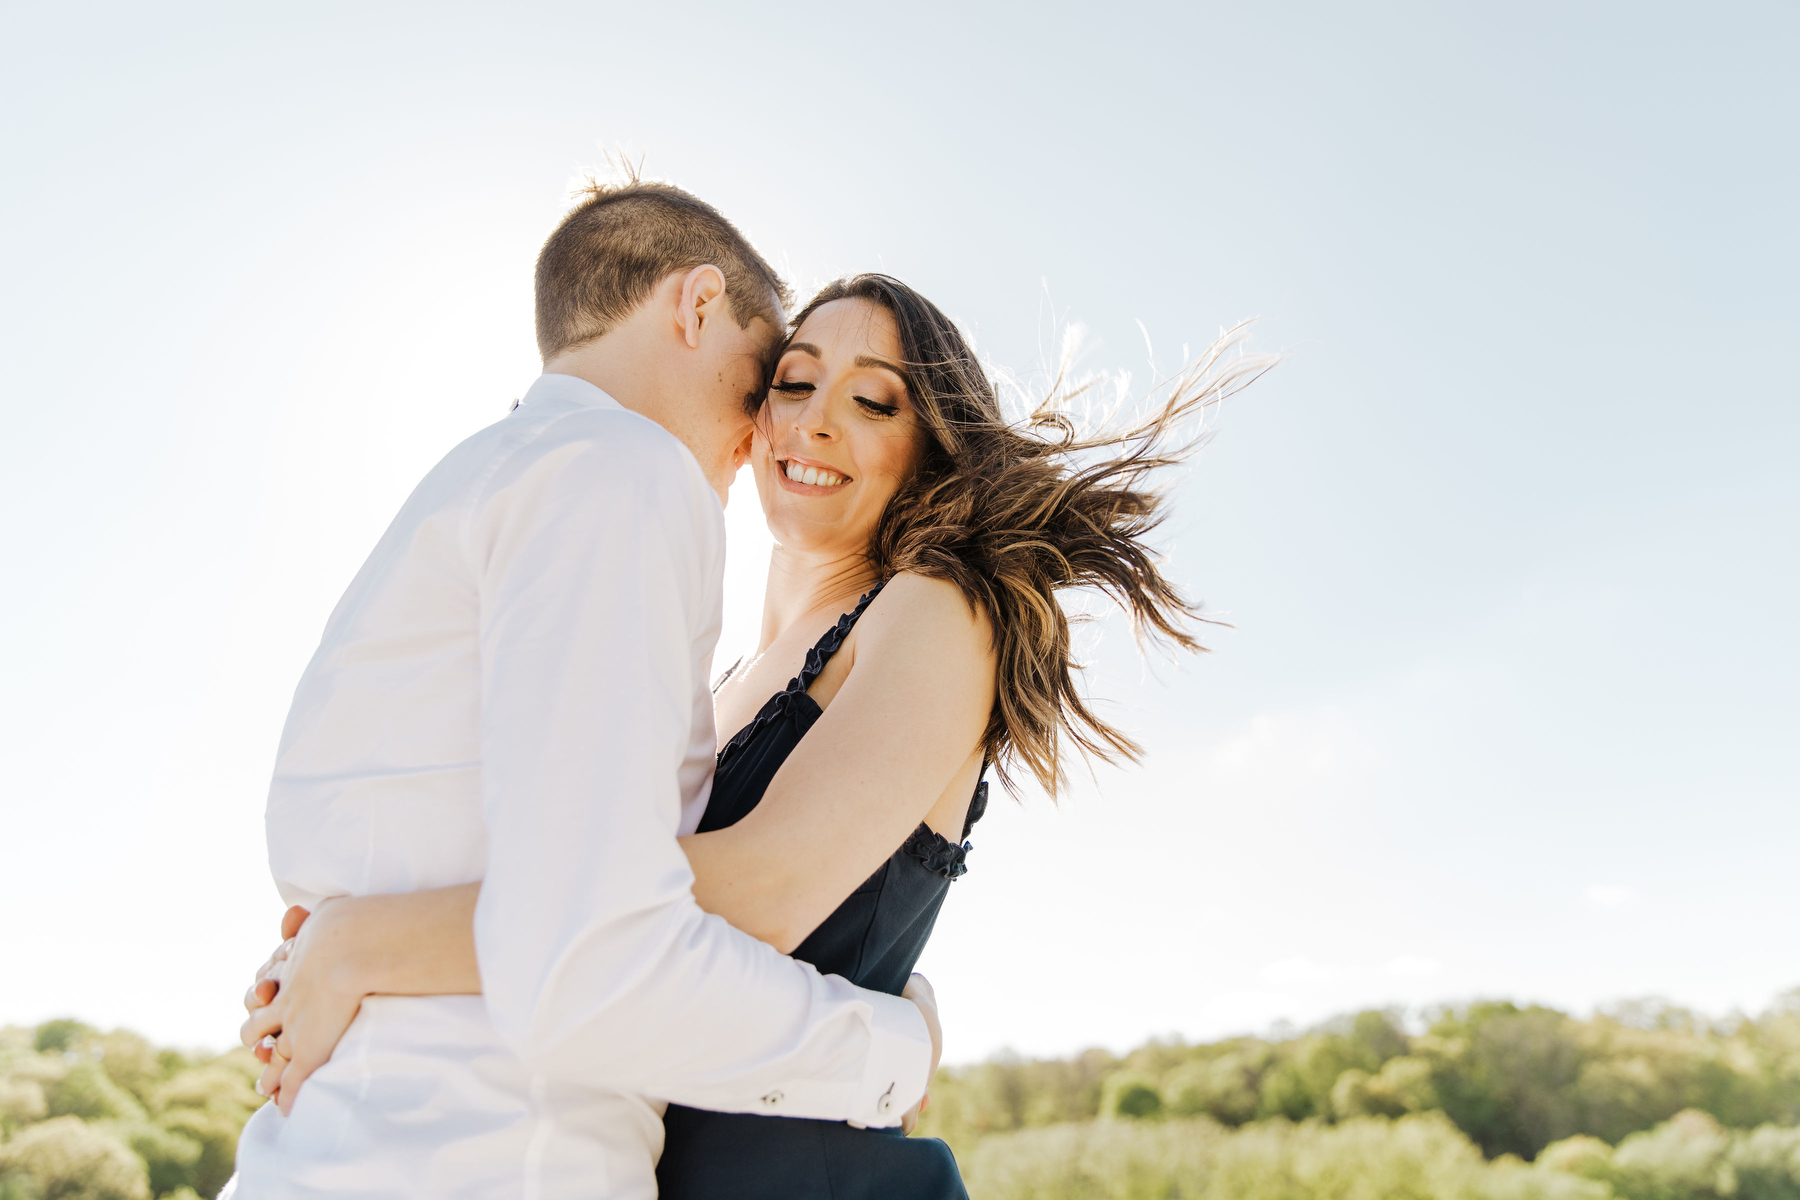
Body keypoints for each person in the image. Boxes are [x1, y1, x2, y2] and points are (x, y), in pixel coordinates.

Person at [241, 261, 1274, 1197]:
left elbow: (763, 895)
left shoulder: (933, 609)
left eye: (872, 400)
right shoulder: (724, 678)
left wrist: (366, 943)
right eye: (793, 383)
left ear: (928, 447)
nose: (815, 421)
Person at [227, 180, 948, 1200]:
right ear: (696, 307)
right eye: (764, 385)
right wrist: (891, 1047)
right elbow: (585, 961)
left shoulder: (467, 492)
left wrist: (355, 944)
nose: (760, 440)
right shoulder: (624, 473)